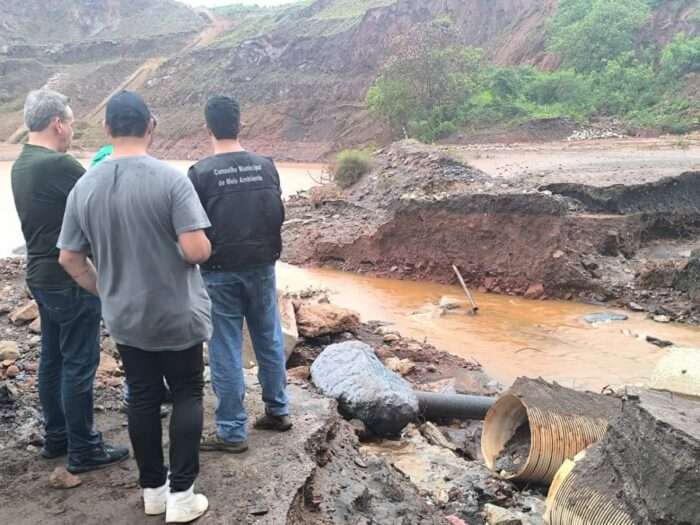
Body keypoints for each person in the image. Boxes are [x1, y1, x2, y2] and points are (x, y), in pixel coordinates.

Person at [57, 90, 212, 523]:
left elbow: (68, 258)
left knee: (141, 396)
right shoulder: (171, 180)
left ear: (107, 128)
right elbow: (196, 250)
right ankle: (182, 497)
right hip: (177, 311)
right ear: (150, 127)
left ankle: (153, 493)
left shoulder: (84, 186)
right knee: (187, 392)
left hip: (125, 316)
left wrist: (105, 290)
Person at [11, 89, 129, 473]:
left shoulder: (22, 162)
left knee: (52, 359)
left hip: (41, 276)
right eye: (72, 123)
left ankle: (57, 437)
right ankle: (85, 449)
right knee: (79, 362)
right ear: (57, 123)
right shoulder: (57, 165)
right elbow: (103, 198)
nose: (73, 131)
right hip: (69, 277)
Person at [189, 95, 291, 454]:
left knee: (225, 347)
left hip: (218, 272)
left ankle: (232, 431)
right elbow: (277, 213)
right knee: (268, 337)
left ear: (207, 128)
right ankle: (278, 410)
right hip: (262, 266)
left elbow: (193, 226)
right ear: (240, 124)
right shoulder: (266, 166)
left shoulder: (200, 173)